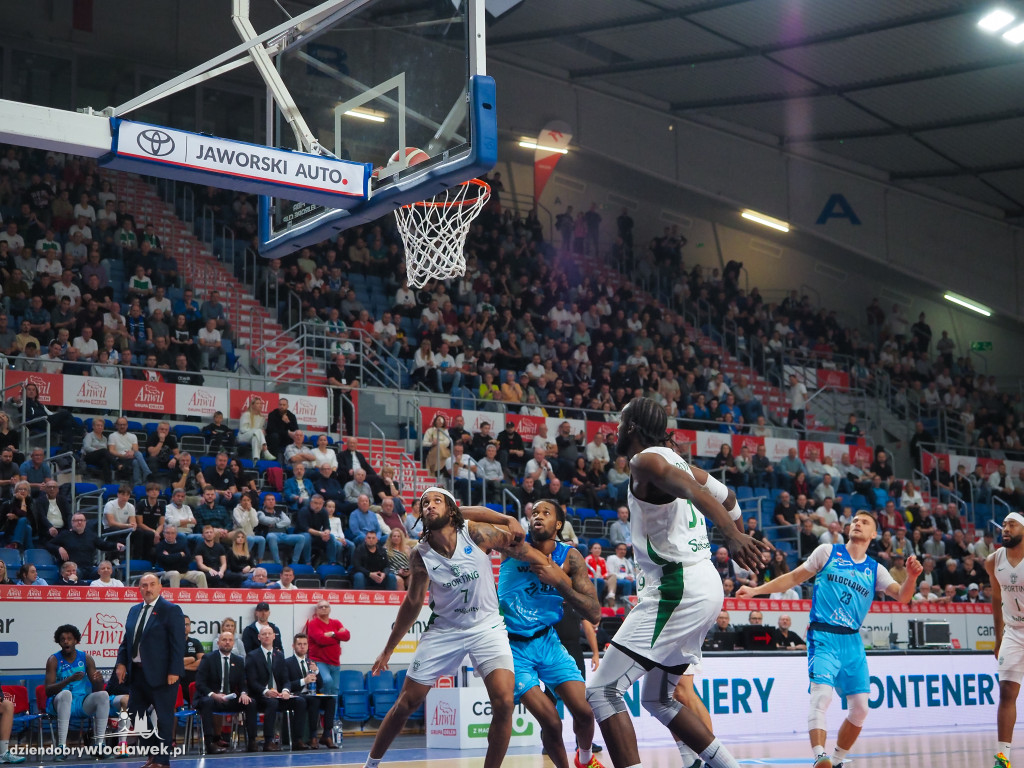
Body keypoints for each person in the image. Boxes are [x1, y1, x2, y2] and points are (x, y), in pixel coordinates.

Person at [585, 398, 768, 768]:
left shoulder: (645, 460)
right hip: (702, 585)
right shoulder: (681, 462)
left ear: (633, 427)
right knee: (658, 699)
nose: (615, 431)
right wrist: (735, 527)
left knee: (602, 690)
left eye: (620, 424)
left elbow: (694, 493)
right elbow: (728, 497)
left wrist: (732, 536)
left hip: (677, 586)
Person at [738, 513, 923, 768]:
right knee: (821, 696)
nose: (857, 523)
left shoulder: (875, 569)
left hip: (852, 641)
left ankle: (835, 761)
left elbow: (903, 597)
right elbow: (793, 577)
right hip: (823, 634)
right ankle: (819, 756)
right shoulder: (827, 552)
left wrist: (911, 578)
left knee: (860, 709)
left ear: (873, 535)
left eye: (865, 522)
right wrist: (756, 591)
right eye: (855, 520)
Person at [361, 487, 527, 768]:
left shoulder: (474, 533)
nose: (429, 505)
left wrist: (509, 520)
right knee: (405, 704)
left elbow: (518, 542)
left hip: (487, 627)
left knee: (504, 702)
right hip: (444, 630)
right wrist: (388, 650)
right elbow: (412, 604)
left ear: (452, 511)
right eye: (425, 503)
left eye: (437, 501)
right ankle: (371, 765)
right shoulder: (420, 554)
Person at [485, 499, 605, 768]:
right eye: (534, 513)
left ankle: (585, 761)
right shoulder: (512, 544)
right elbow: (475, 527)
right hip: (512, 647)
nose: (537, 516)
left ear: (558, 525)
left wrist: (560, 583)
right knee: (551, 720)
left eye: (545, 513)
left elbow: (594, 613)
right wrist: (506, 519)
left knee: (585, 713)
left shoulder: (571, 556)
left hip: (547, 641)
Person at [114, 573, 185, 768]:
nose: (148, 588)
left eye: (152, 584)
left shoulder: (170, 610)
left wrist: (174, 670)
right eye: (144, 585)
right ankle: (153, 752)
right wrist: (121, 663)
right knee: (136, 713)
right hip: (137, 672)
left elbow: (178, 644)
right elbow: (127, 641)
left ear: (160, 587)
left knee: (164, 717)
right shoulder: (134, 610)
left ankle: (162, 761)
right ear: (139, 589)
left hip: (163, 674)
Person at [986, 512, 1024, 768]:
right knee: (1006, 691)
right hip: (1013, 630)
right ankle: (1003, 758)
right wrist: (998, 637)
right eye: (1004, 525)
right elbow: (996, 599)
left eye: (1012, 524)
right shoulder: (993, 560)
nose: (1005, 529)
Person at [45, 624, 110, 755]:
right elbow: (48, 690)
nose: (66, 641)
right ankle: (61, 747)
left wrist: (99, 681)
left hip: (80, 703)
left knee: (103, 695)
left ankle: (100, 745)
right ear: (59, 642)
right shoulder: (53, 660)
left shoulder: (86, 658)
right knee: (66, 694)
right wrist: (69, 679)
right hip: (59, 703)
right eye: (62, 639)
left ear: (76, 641)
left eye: (69, 638)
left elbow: (96, 689)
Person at [193, 630, 258, 753]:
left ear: (234, 643)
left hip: (230, 698)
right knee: (207, 702)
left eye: (230, 640)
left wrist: (244, 693)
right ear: (218, 643)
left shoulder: (238, 660)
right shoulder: (208, 658)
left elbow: (243, 683)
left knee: (251, 702)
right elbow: (200, 683)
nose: (227, 643)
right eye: (224, 640)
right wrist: (214, 695)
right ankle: (210, 743)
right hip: (212, 698)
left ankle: (252, 741)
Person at [245, 625, 306, 751]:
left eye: (269, 633)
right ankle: (268, 741)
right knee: (271, 702)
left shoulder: (279, 655)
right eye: (264, 634)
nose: (267, 636)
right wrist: (266, 691)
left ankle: (297, 739)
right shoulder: (252, 656)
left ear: (274, 636)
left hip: (278, 695)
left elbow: (285, 680)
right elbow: (252, 681)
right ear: (259, 637)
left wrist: (285, 691)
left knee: (300, 701)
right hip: (261, 696)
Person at [305, 599, 349, 738]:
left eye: (326, 606)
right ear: (316, 610)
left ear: (330, 609)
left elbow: (347, 636)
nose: (324, 608)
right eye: (320, 607)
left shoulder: (335, 623)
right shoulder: (313, 624)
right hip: (319, 661)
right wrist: (336, 636)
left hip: (335, 662)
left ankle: (330, 722)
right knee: (328, 681)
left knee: (335, 692)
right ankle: (324, 709)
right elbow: (320, 639)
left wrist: (333, 634)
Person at [286, 632, 336, 749]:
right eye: (299, 644)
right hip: (297, 695)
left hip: (311, 694)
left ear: (308, 646)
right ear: (293, 646)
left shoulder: (311, 662)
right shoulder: (287, 663)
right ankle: (312, 736)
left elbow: (320, 685)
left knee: (330, 700)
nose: (302, 646)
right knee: (314, 701)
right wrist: (304, 680)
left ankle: (326, 734)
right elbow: (287, 684)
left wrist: (317, 672)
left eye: (304, 644)